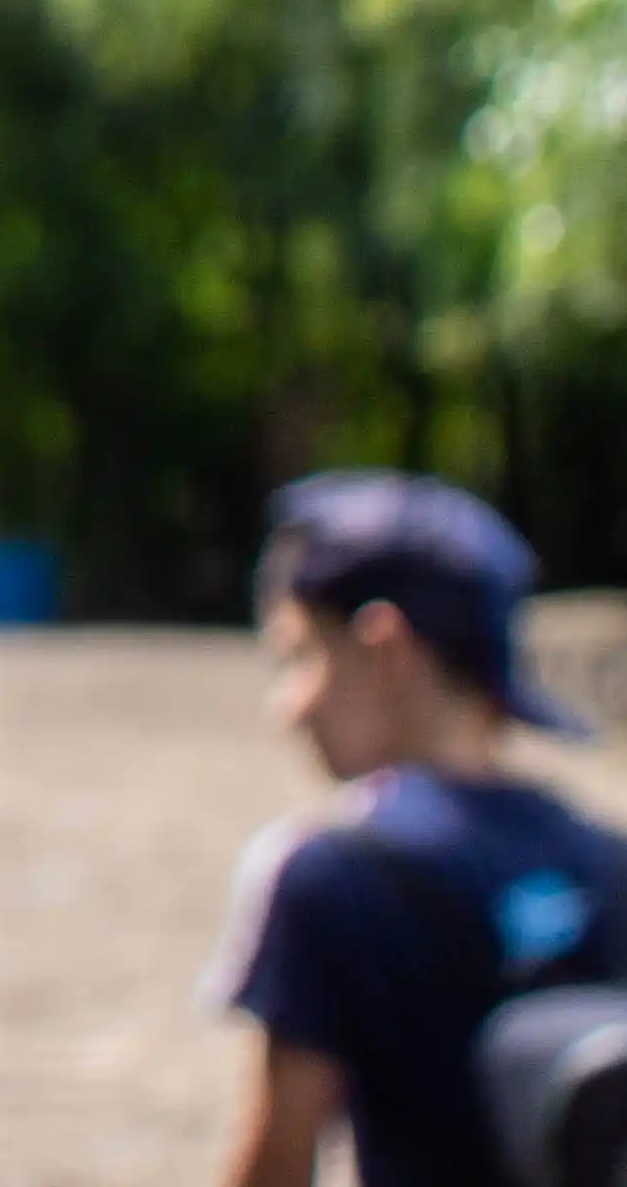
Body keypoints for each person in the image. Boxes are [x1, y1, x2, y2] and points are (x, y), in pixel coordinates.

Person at [205, 471, 627, 1187]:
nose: (289, 707)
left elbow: (275, 1165)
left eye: (302, 657)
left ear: (385, 647)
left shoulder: (332, 876)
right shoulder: (607, 860)